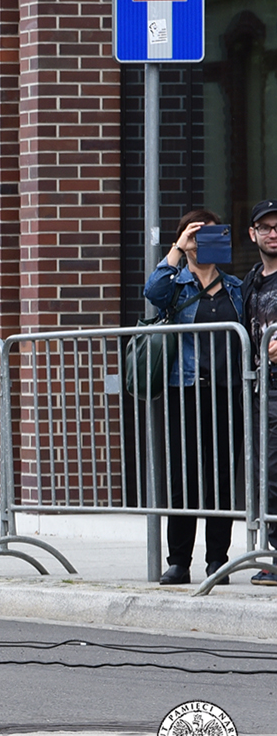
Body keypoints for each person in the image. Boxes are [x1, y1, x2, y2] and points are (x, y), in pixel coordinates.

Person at [145, 210, 245, 586]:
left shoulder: (236, 286)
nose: (202, 242)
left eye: (210, 234)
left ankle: (217, 560)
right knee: (183, 479)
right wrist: (177, 249)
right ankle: (179, 562)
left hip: (227, 392)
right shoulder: (177, 285)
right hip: (186, 390)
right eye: (196, 236)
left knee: (221, 481)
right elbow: (152, 293)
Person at [244, 199, 277, 585]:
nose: (272, 233)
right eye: (265, 227)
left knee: (274, 474)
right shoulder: (251, 278)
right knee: (265, 474)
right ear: (253, 234)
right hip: (260, 392)